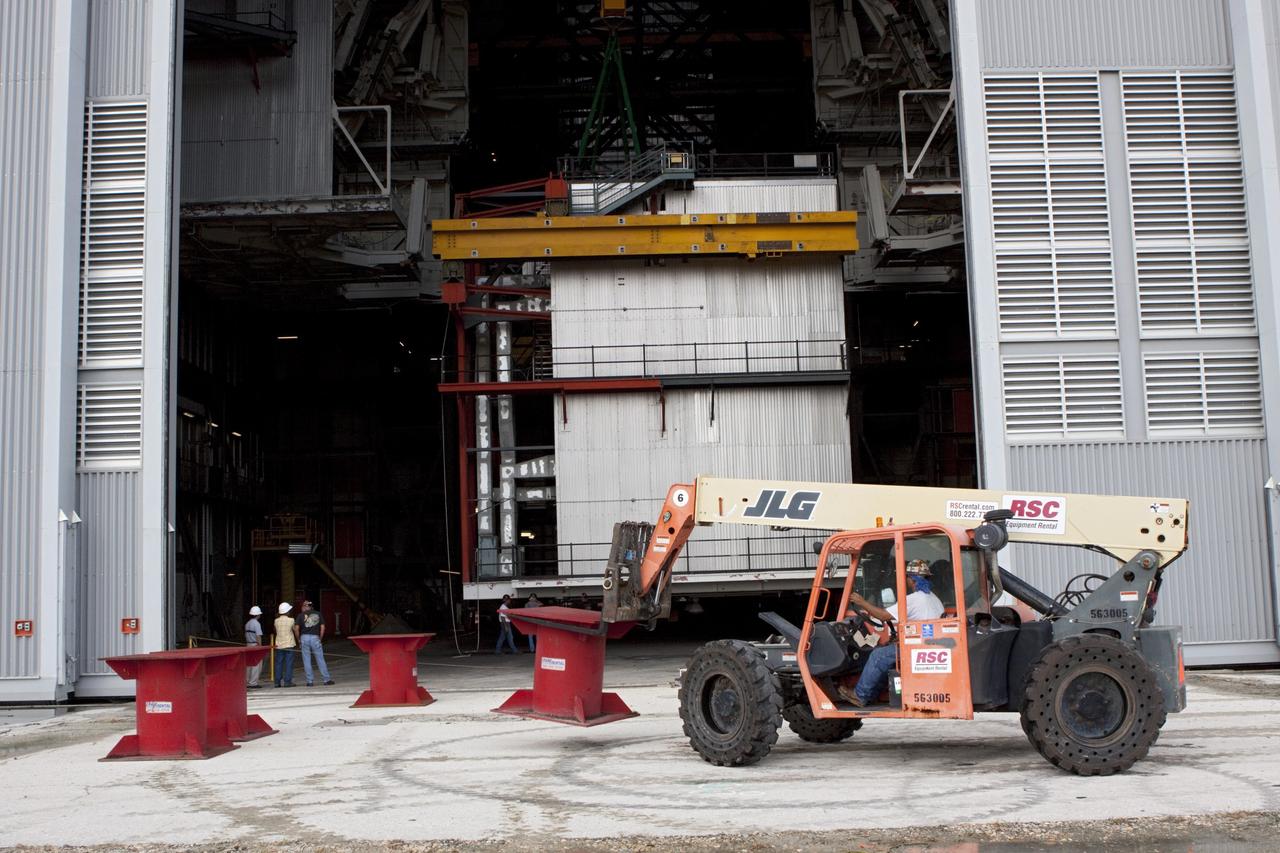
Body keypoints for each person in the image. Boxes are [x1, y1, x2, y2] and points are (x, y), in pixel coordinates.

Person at [839, 559, 945, 707]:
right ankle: (872, 694)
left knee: (878, 655)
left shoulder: (914, 599)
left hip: (920, 648)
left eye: (908, 577)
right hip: (928, 645)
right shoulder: (933, 598)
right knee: (886, 654)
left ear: (911, 580)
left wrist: (862, 602)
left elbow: (883, 616)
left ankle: (860, 695)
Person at [297, 599, 335, 686]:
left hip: (304, 637)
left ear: (305, 606)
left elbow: (296, 629)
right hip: (315, 637)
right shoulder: (318, 614)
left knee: (306, 660)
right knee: (320, 659)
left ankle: (310, 681)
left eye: (303, 606)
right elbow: (323, 627)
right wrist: (320, 638)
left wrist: (299, 639)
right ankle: (326, 679)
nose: (302, 607)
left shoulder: (300, 615)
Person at [273, 602, 297, 688]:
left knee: (279, 663)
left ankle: (277, 682)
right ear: (287, 612)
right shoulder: (291, 620)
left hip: (279, 644)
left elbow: (276, 631)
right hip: (289, 644)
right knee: (288, 663)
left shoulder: (276, 621)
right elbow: (294, 630)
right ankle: (287, 682)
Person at [245, 605, 265, 688]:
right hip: (255, 645)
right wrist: (260, 646)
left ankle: (247, 681)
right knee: (256, 665)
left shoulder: (247, 623)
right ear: (258, 615)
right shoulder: (256, 624)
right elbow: (258, 636)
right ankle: (253, 682)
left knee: (249, 665)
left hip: (248, 644)